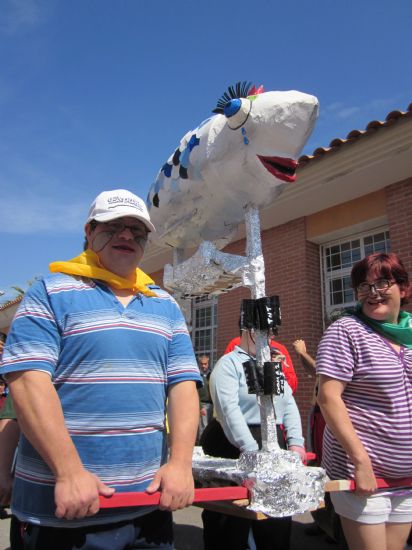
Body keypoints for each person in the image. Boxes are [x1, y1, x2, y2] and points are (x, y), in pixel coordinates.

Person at [0, 189, 201, 550]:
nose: (127, 235)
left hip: (150, 508)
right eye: (113, 226)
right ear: (89, 232)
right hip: (62, 511)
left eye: (137, 230)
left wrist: (181, 464)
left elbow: (183, 384)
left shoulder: (165, 304)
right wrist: (69, 472)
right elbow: (28, 383)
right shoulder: (50, 292)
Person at [316, 252, 412, 550]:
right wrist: (361, 462)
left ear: (403, 288)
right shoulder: (346, 331)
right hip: (363, 476)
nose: (373, 293)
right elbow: (328, 398)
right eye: (363, 287)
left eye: (382, 283)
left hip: (406, 478)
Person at [201, 326, 306, 550]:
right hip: (232, 445)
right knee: (229, 525)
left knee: (275, 521)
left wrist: (296, 443)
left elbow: (288, 403)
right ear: (247, 329)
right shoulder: (228, 364)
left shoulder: (270, 366)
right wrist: (250, 449)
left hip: (271, 442)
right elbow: (229, 411)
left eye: (274, 331)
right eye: (266, 331)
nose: (271, 337)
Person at [224, 336, 298, 394]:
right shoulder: (237, 344)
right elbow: (226, 380)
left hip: (273, 406)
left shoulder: (279, 349)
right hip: (244, 407)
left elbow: (291, 385)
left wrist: (276, 370)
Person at [197, 354, 213, 440]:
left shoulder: (211, 375)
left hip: (212, 405)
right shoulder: (197, 376)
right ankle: (202, 447)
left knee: (211, 427)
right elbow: (195, 393)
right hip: (203, 405)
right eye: (202, 364)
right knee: (204, 427)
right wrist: (200, 406)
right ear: (199, 364)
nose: (204, 366)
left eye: (205, 364)